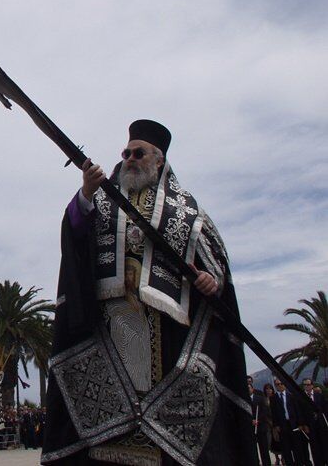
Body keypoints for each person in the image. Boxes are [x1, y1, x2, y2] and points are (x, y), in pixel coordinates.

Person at [42, 120, 258, 465]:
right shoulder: (100, 199)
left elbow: (215, 265)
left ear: (159, 160)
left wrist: (210, 283)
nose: (129, 159)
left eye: (137, 153)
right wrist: (84, 193)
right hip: (108, 329)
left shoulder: (187, 210)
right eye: (125, 153)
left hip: (167, 334)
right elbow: (74, 233)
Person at [271, 377, 309, 466]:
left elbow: (297, 410)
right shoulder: (273, 398)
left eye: (281, 384)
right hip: (282, 426)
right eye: (277, 384)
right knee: (286, 448)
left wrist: (300, 423)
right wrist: (276, 425)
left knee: (297, 447)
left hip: (293, 425)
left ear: (284, 385)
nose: (280, 386)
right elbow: (273, 413)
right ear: (275, 386)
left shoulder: (291, 396)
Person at [303, 378, 327, 466]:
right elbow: (301, 412)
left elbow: (325, 409)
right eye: (305, 385)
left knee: (324, 445)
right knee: (314, 447)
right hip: (310, 427)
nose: (307, 386)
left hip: (321, 425)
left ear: (312, 385)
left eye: (308, 385)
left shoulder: (319, 395)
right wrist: (305, 425)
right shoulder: (301, 398)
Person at [250, 382, 273, 465]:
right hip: (251, 428)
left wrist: (258, 420)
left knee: (264, 449)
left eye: (249, 387)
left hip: (261, 427)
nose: (248, 389)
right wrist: (251, 420)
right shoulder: (244, 400)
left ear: (252, 389)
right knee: (253, 450)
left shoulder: (260, 398)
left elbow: (265, 411)